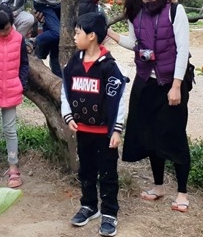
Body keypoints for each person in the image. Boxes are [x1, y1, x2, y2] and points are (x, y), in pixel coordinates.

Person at [110, 0, 191, 213]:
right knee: (150, 133)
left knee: (174, 134)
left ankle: (182, 192)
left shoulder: (175, 11)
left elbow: (182, 51)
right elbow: (135, 44)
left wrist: (176, 86)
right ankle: (158, 186)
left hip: (171, 82)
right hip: (146, 80)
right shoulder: (135, 12)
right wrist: (110, 34)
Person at [62, 12, 127, 237]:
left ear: (91, 36)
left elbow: (118, 98)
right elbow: (65, 91)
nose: (74, 36)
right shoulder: (74, 63)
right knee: (86, 170)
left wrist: (116, 129)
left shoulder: (109, 67)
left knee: (108, 173)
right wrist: (68, 116)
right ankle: (89, 206)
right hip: (83, 131)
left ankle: (109, 213)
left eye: (78, 32)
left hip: (105, 134)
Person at [0, 5, 29, 189]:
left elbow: (24, 64)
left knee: (10, 130)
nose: (4, 33)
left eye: (7, 28)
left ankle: (13, 166)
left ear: (12, 23)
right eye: (0, 30)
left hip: (11, 91)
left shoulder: (19, 39)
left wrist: (21, 85)